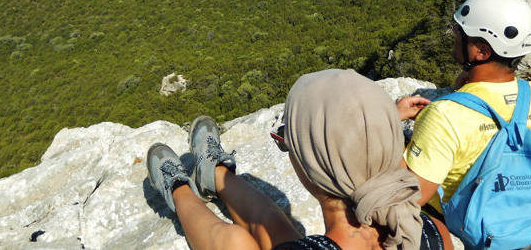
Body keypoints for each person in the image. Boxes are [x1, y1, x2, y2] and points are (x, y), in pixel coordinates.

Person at [146, 69, 452, 250]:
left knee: (235, 242)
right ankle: (214, 172)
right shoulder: (430, 231)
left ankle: (179, 190)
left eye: (287, 141)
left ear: (311, 168)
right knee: (269, 223)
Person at [398, 0, 531, 219]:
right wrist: (467, 92)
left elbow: (413, 196)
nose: (455, 36)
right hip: (522, 210)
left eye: (460, 34)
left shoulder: (444, 114)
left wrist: (388, 122)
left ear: (481, 51)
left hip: (465, 222)